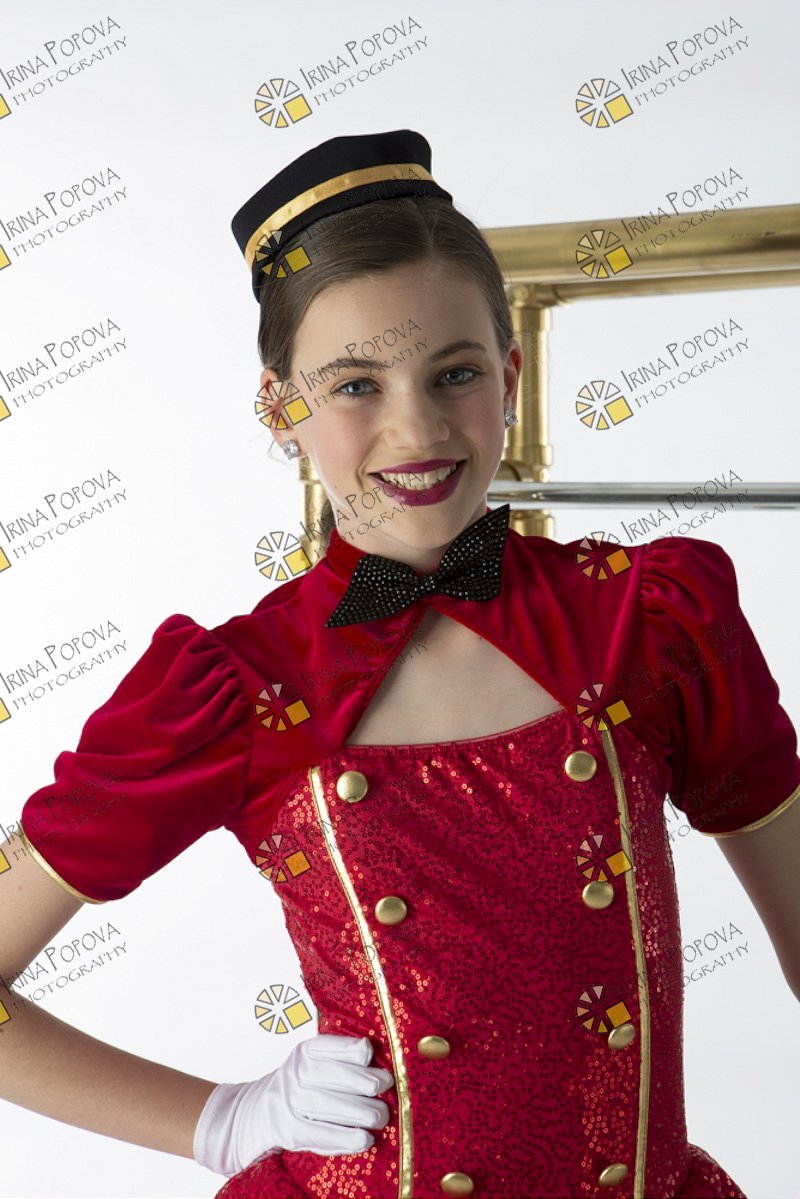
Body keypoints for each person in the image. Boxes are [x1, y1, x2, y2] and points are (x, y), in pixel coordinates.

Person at [1, 128, 799, 1199]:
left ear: (509, 377)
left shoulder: (649, 622)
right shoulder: (239, 688)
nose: (415, 428)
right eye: (354, 385)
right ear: (281, 407)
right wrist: (216, 1119)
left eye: (453, 373)